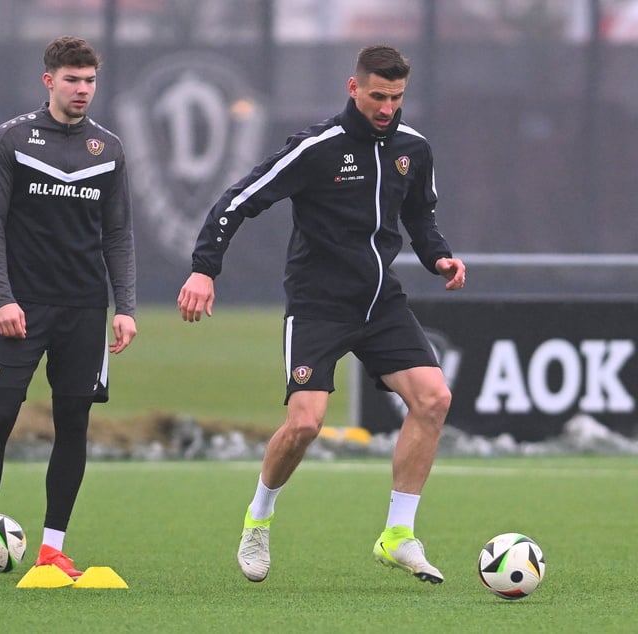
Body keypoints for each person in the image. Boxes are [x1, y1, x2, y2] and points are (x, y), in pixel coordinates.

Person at [177, 45, 466, 584]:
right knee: (306, 424)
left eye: (396, 97)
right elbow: (239, 200)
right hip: (318, 307)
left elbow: (420, 216)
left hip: (381, 303)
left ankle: (398, 536)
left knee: (434, 398)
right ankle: (258, 520)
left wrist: (439, 255)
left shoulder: (412, 148)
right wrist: (203, 268)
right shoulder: (317, 148)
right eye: (377, 95)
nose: (386, 107)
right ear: (353, 88)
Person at [0, 36, 137, 582]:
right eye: (72, 79)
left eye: (90, 80)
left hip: (84, 312)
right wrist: (3, 299)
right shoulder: (13, 139)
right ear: (48, 81)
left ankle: (53, 551)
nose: (82, 90)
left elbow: (118, 234)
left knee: (72, 424)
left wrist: (126, 307)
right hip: (22, 310)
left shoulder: (110, 150)